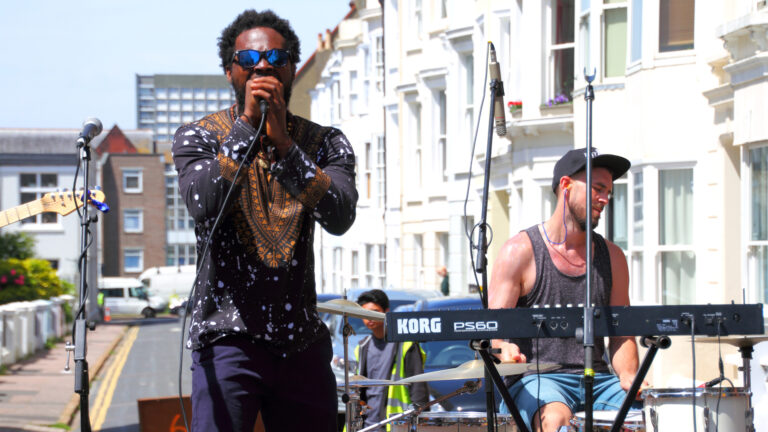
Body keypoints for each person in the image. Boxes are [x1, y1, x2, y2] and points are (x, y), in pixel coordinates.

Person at [171, 9, 358, 432]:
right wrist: (247, 128)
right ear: (229, 71)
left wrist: (286, 146)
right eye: (249, 60)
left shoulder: (325, 142)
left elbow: (341, 215)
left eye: (275, 58)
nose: (262, 67)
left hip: (302, 341)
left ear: (291, 68)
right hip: (227, 338)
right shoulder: (199, 136)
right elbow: (203, 205)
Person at [488, 148, 640, 432]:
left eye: (609, 191)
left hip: (599, 380)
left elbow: (622, 336)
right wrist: (504, 348)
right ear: (566, 186)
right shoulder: (520, 252)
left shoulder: (613, 257)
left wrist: (630, 376)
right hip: (538, 380)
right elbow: (493, 333)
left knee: (646, 414)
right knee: (557, 419)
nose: (605, 199)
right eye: (598, 188)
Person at [354, 289, 429, 431]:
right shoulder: (362, 347)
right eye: (364, 313)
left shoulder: (406, 344)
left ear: (386, 311)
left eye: (374, 311)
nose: (369, 317)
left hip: (396, 424)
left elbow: (419, 391)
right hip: (368, 425)